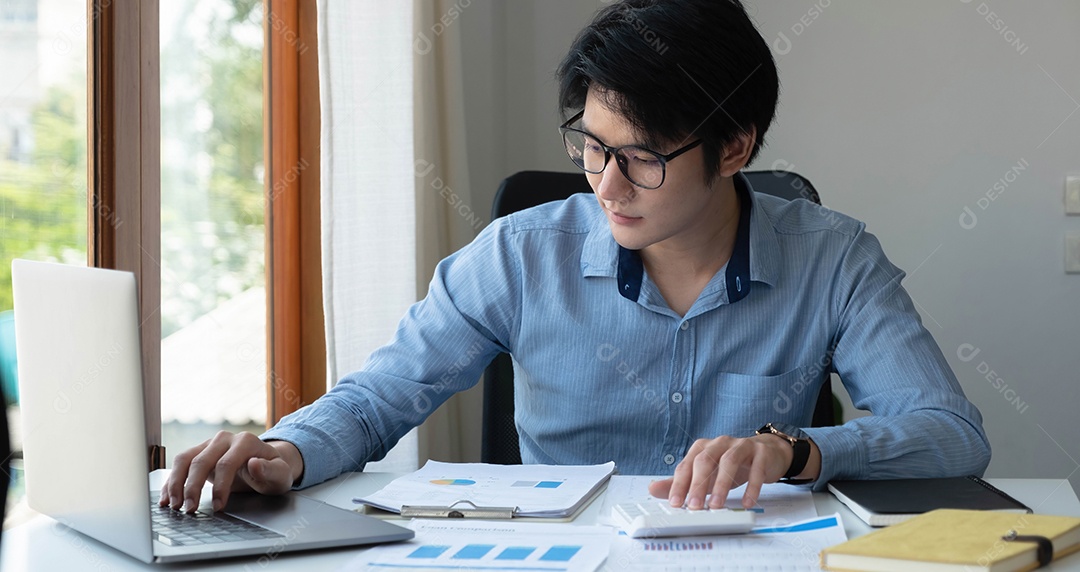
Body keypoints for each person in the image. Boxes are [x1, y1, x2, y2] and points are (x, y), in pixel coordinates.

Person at [161, 0, 990, 515]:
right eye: (591, 148)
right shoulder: (522, 255)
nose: (606, 183)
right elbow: (382, 396)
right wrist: (286, 451)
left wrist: (793, 448)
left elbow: (950, 435)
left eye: (642, 158)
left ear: (734, 147)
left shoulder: (833, 258)